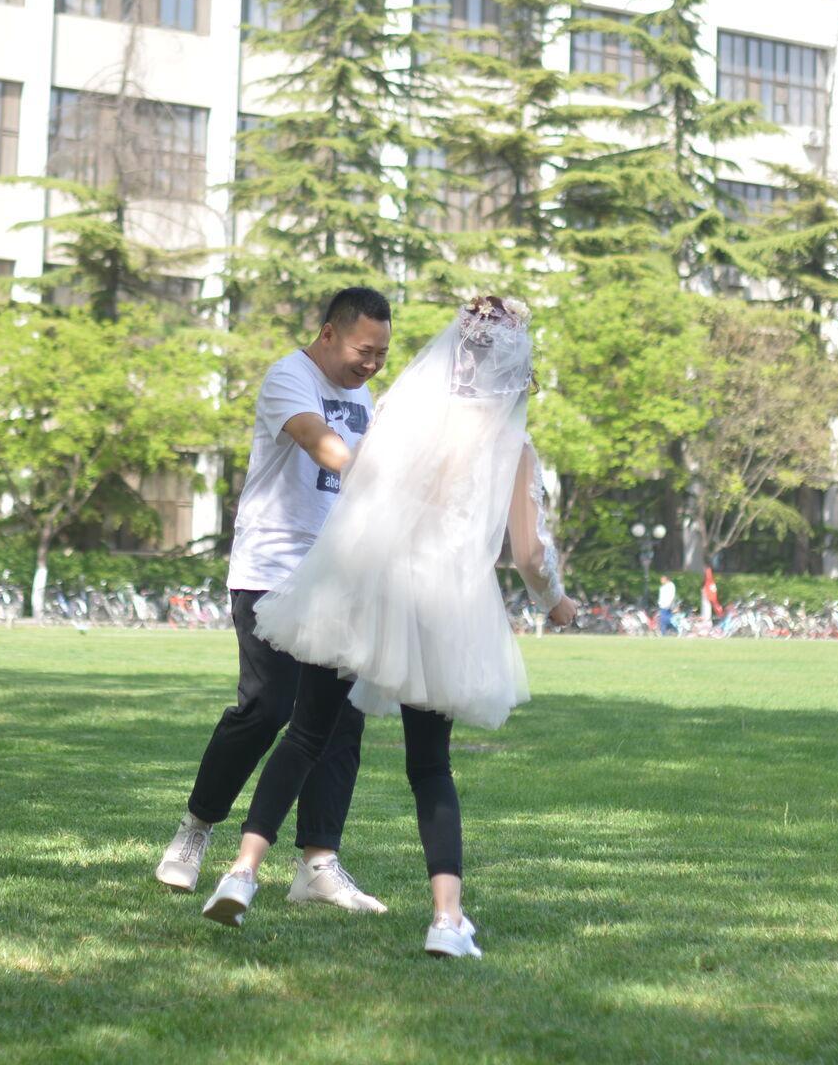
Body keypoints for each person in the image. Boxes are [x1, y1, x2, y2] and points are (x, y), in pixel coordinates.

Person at [201, 296, 574, 958]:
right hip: (441, 603)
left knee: (306, 734)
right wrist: (557, 604)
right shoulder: (511, 447)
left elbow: (360, 489)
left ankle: (242, 871)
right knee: (430, 765)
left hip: (363, 585)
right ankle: (446, 919)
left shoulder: (401, 414)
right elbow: (529, 555)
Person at [153, 287, 393, 914]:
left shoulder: (365, 396)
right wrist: (375, 475)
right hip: (272, 570)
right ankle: (196, 827)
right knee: (266, 707)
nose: (372, 365)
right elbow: (317, 440)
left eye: (382, 355)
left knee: (341, 720)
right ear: (328, 334)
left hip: (340, 574)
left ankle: (318, 864)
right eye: (364, 351)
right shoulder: (290, 376)